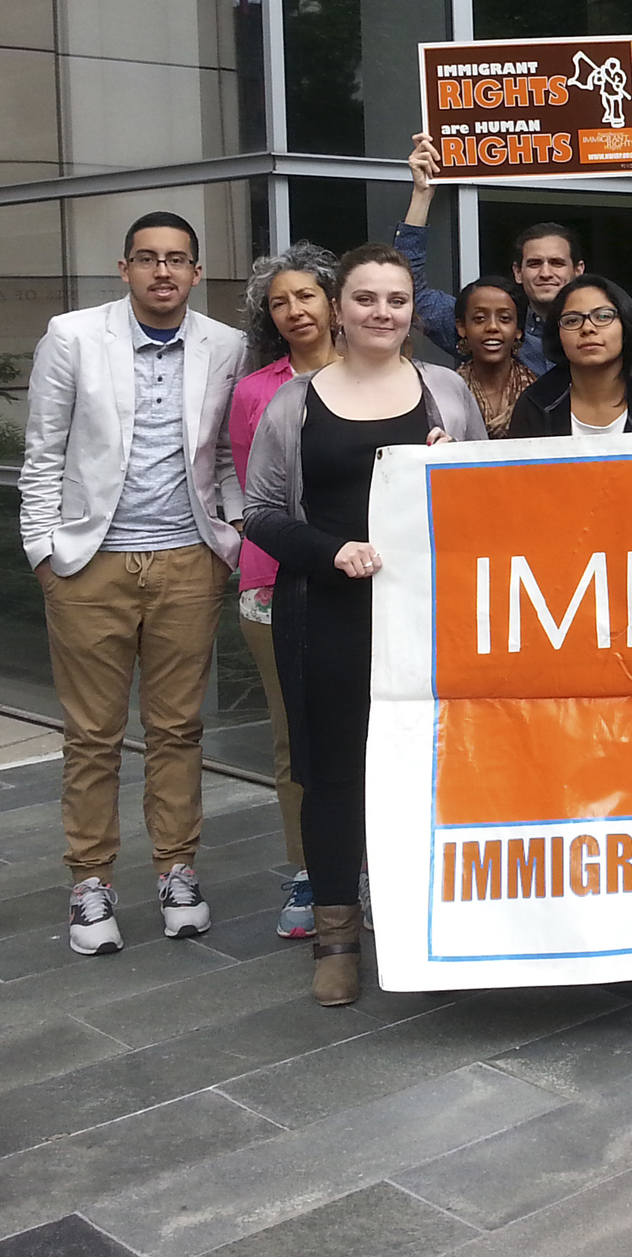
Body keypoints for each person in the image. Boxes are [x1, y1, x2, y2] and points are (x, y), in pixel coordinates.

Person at [243, 244, 487, 1006]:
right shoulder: (296, 403)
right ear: (338, 309)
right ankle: (337, 936)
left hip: (428, 614)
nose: (382, 313)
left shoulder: (445, 391)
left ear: (413, 311)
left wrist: (458, 474)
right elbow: (259, 516)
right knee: (334, 773)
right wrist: (329, 550)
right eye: (365, 299)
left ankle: (423, 919)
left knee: (429, 766)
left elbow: (493, 502)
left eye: (397, 300)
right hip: (329, 614)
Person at [21, 212, 245, 956]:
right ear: (124, 269)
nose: (162, 272)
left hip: (188, 560)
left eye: (177, 260)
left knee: (179, 730)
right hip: (91, 565)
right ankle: (91, 882)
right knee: (92, 736)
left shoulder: (226, 346)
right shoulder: (74, 335)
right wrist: (44, 555)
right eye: (147, 259)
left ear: (196, 272)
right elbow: (43, 450)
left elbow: (222, 460)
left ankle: (177, 870)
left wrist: (229, 541)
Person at [233, 242, 341, 939]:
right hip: (275, 588)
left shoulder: (381, 374)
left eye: (306, 294)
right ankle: (311, 871)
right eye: (280, 301)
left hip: (368, 582)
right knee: (293, 739)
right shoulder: (255, 390)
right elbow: (252, 493)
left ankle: (371, 863)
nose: (295, 309)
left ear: (333, 299)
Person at [397, 129, 632, 369]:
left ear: (578, 270)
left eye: (557, 263)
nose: (546, 273)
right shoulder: (491, 328)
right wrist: (423, 194)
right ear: (518, 271)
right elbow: (410, 293)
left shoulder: (610, 323)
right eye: (534, 263)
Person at [509, 275, 632, 436]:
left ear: (626, 327)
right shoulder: (535, 404)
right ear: (558, 334)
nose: (588, 328)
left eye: (602, 316)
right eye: (572, 320)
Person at [451, 276, 536, 439]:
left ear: (518, 330)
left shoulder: (537, 396)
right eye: (479, 319)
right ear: (462, 327)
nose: (492, 327)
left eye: (504, 318)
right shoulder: (449, 393)